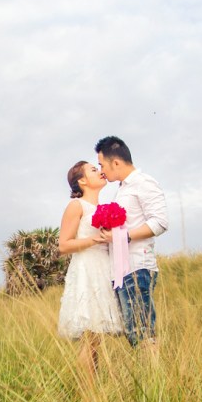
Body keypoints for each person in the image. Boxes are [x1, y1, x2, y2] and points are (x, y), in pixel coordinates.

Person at [95, 136, 168, 350]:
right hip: (122, 271)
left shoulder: (143, 183)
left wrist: (122, 236)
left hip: (137, 268)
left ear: (115, 162)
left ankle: (155, 378)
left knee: (142, 333)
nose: (101, 170)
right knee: (135, 335)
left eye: (102, 164)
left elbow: (160, 222)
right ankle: (149, 377)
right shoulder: (122, 189)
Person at [57, 160, 123, 381]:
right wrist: (95, 239)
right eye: (94, 170)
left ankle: (95, 390)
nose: (100, 171)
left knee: (97, 338)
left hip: (105, 269)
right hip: (87, 269)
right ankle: (88, 394)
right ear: (82, 181)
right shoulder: (77, 206)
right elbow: (64, 245)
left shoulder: (104, 208)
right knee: (90, 336)